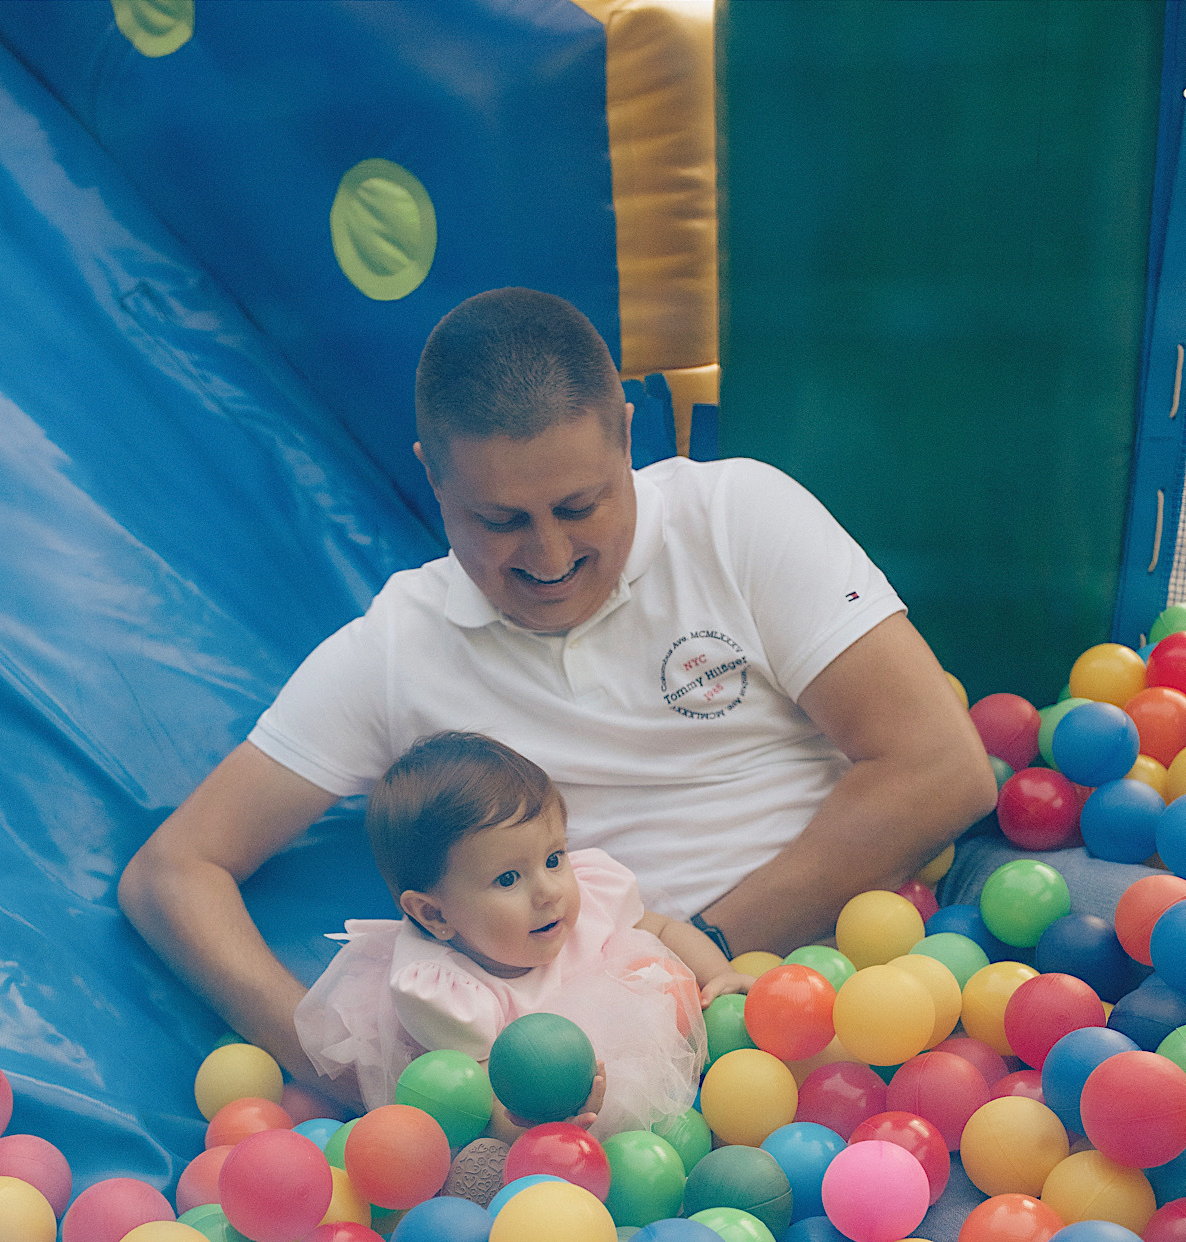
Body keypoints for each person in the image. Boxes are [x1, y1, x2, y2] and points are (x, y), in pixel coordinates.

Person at [119, 287, 996, 1089]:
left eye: (580, 506)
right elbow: (173, 870)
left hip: (883, 971)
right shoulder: (399, 649)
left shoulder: (737, 519)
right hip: (621, 1076)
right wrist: (335, 1066)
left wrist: (703, 954)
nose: (549, 557)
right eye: (500, 521)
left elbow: (942, 766)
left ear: (624, 431)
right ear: (435, 477)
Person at [297, 731, 749, 1135]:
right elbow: (481, 1110)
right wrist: (543, 1123)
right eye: (509, 879)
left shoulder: (586, 900)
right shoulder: (448, 995)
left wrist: (718, 973)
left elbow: (666, 928)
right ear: (434, 914)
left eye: (554, 858)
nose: (549, 892)